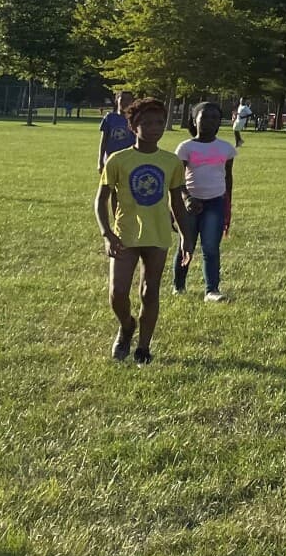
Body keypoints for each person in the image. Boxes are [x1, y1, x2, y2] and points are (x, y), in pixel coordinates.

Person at [93, 96, 188, 364]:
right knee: (118, 293)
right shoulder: (118, 160)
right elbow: (100, 200)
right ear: (133, 126)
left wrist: (186, 237)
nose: (155, 128)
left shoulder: (171, 162)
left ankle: (144, 348)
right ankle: (127, 325)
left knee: (150, 291)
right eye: (147, 123)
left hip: (157, 235)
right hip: (124, 235)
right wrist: (107, 234)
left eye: (159, 122)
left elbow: (177, 204)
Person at [174, 101, 236, 301]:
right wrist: (186, 198)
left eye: (214, 117)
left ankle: (212, 290)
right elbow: (177, 179)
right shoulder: (186, 147)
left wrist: (227, 202)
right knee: (186, 245)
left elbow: (228, 176)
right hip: (191, 204)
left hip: (215, 203)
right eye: (204, 117)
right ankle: (179, 286)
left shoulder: (226, 148)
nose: (209, 121)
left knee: (210, 247)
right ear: (194, 120)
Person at [96, 89, 137, 173]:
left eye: (129, 100)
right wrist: (100, 161)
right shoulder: (109, 118)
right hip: (111, 160)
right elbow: (103, 141)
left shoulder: (135, 119)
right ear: (117, 100)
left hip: (130, 160)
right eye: (122, 99)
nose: (126, 102)